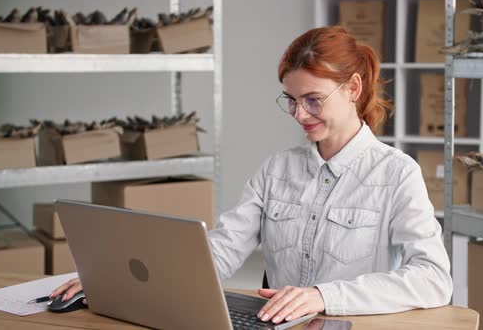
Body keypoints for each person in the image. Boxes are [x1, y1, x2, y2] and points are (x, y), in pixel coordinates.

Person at [52, 26, 453, 324]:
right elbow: (222, 251)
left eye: (313, 100)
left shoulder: (397, 174)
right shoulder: (277, 170)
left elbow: (433, 279)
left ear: (352, 88)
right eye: (292, 101)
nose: (299, 115)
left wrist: (322, 296)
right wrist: (110, 280)